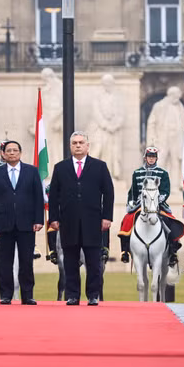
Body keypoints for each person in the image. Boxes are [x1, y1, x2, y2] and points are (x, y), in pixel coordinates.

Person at [48, 131, 114, 306]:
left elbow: (108, 193)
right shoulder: (60, 168)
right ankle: (72, 295)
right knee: (70, 261)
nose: (77, 145)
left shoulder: (100, 166)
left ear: (87, 146)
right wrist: (53, 218)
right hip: (68, 222)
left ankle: (93, 295)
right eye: (74, 143)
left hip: (93, 222)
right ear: (70, 146)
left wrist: (107, 217)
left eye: (81, 142)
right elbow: (53, 195)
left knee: (93, 261)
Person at [0, 140, 44, 305]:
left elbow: (38, 197)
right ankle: (6, 295)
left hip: (27, 223)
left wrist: (39, 220)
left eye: (15, 150)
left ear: (20, 153)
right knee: (5, 261)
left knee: (26, 261)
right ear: (3, 154)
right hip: (4, 224)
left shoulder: (31, 171)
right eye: (8, 150)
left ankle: (28, 295)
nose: (12, 153)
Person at [118, 147, 184, 266]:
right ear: (145, 158)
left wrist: (158, 200)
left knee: (170, 220)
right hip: (140, 204)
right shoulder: (137, 173)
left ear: (156, 158)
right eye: (149, 157)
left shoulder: (163, 173)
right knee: (127, 220)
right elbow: (132, 191)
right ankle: (125, 250)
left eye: (153, 157)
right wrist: (131, 202)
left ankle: (173, 251)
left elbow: (166, 190)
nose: (151, 159)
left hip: (157, 205)